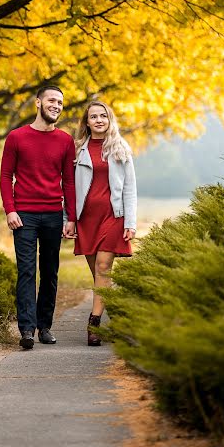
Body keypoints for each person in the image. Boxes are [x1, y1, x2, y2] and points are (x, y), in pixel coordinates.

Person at [0, 86, 76, 350]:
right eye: (51, 100)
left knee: (50, 271)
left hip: (54, 215)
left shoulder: (66, 141)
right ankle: (26, 330)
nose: (56, 105)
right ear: (38, 103)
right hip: (24, 216)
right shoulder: (16, 137)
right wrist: (10, 209)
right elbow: (5, 176)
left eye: (60, 102)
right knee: (27, 271)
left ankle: (44, 326)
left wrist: (71, 217)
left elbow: (69, 181)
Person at [74, 101, 137, 346]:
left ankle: (94, 324)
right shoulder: (79, 150)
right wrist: (70, 218)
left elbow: (130, 188)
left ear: (109, 120)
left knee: (103, 267)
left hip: (114, 215)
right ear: (87, 122)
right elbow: (69, 187)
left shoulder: (121, 149)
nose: (99, 120)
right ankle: (119, 315)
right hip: (87, 218)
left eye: (103, 116)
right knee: (99, 275)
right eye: (93, 117)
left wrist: (130, 222)